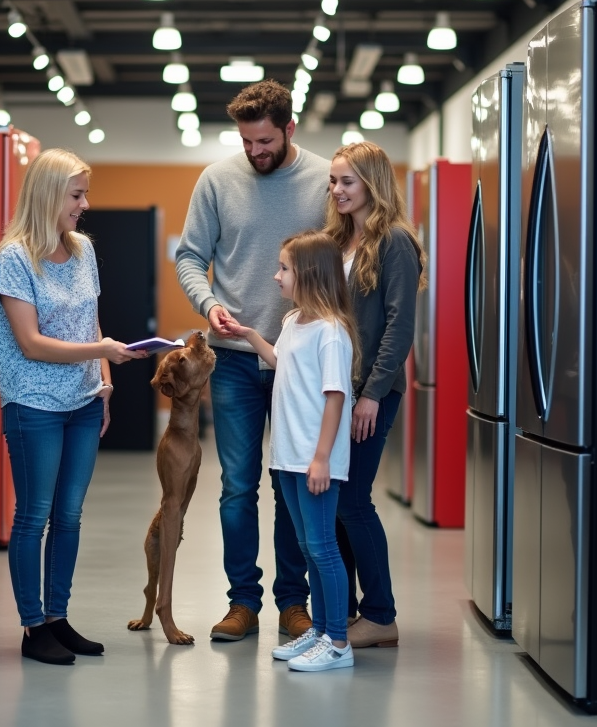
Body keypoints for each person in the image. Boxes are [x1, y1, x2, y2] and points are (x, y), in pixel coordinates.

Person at [175, 79, 329, 642]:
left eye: (264, 141)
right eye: (246, 142)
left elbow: (341, 259)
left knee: (291, 482)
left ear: (289, 128)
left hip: (300, 360)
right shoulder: (217, 180)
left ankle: (294, 602)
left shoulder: (322, 180)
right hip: (235, 360)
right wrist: (208, 304)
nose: (254, 152)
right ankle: (242, 602)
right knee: (238, 484)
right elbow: (190, 256)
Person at [0, 148, 146, 665]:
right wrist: (102, 354)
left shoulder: (82, 251)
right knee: (33, 517)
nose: (85, 204)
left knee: (69, 517)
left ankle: (58, 617)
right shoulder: (13, 259)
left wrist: (103, 385)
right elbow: (30, 343)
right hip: (33, 406)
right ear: (49, 195)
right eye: (76, 195)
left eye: (85, 194)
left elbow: (90, 323)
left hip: (81, 403)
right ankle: (34, 628)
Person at [221, 230, 359, 671]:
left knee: (322, 548)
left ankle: (338, 643)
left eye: (283, 268)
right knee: (305, 544)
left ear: (309, 274)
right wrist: (247, 335)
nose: (275, 275)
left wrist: (321, 458)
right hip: (289, 456)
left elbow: (336, 396)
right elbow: (281, 361)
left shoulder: (332, 332)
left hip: (314, 459)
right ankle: (318, 631)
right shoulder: (293, 320)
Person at [324, 142, 424, 649]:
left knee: (352, 500)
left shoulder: (395, 242)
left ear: (373, 184)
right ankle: (344, 612)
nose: (336, 190)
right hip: (338, 391)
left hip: (370, 393)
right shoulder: (339, 241)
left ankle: (381, 615)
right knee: (337, 499)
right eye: (334, 182)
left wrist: (371, 394)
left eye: (347, 181)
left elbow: (399, 326)